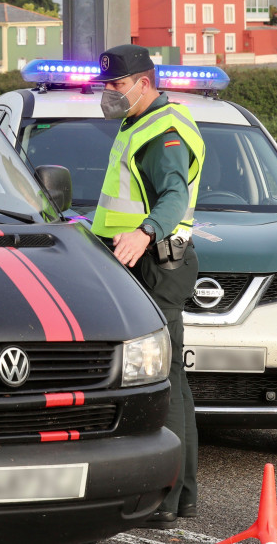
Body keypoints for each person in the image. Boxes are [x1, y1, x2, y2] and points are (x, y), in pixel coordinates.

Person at [89, 44, 205, 529]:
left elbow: (174, 194)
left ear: (144, 81)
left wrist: (145, 231)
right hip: (138, 262)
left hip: (155, 265)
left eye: (116, 85)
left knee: (164, 381)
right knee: (166, 377)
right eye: (106, 86)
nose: (109, 94)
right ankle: (176, 496)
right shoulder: (137, 123)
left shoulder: (163, 131)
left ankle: (167, 499)